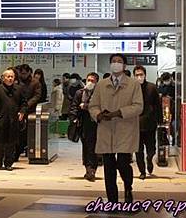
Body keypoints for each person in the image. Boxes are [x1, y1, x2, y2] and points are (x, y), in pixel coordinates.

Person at [88, 54, 143, 204]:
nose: (116, 64)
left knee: (123, 164)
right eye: (113, 61)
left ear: (125, 66)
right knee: (109, 166)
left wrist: (119, 113)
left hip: (125, 130)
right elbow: (93, 105)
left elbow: (138, 106)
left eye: (119, 62)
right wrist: (98, 115)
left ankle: (128, 187)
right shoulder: (102, 84)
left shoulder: (133, 84)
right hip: (106, 129)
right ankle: (112, 199)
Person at [69, 72, 101, 182]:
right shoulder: (80, 93)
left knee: (93, 148)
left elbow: (101, 107)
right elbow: (74, 107)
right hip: (83, 124)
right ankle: (88, 168)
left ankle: (91, 169)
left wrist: (86, 106)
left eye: (93, 81)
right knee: (86, 147)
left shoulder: (100, 94)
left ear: (97, 82)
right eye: (88, 80)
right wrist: (73, 118)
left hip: (96, 124)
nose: (90, 82)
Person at [133, 65, 161, 180]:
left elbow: (157, 105)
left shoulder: (152, 87)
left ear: (145, 75)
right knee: (138, 150)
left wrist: (160, 120)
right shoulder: (131, 89)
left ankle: (149, 159)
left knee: (151, 149)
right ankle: (142, 171)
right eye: (137, 75)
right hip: (135, 125)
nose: (139, 77)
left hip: (150, 124)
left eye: (141, 74)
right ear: (134, 76)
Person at [0, 69, 24, 171]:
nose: (10, 79)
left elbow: (24, 103)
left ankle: (8, 163)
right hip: (0, 119)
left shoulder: (18, 89)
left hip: (13, 119)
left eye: (12, 77)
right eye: (8, 76)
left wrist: (22, 112)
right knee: (0, 142)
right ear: (3, 78)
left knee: (11, 142)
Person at [15, 64, 42, 160]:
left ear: (29, 72)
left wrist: (27, 104)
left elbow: (37, 96)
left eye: (25, 73)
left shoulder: (35, 82)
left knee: (28, 132)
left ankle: (26, 149)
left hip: (31, 110)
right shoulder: (17, 81)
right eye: (21, 73)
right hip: (18, 109)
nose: (23, 75)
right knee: (18, 132)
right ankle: (17, 152)